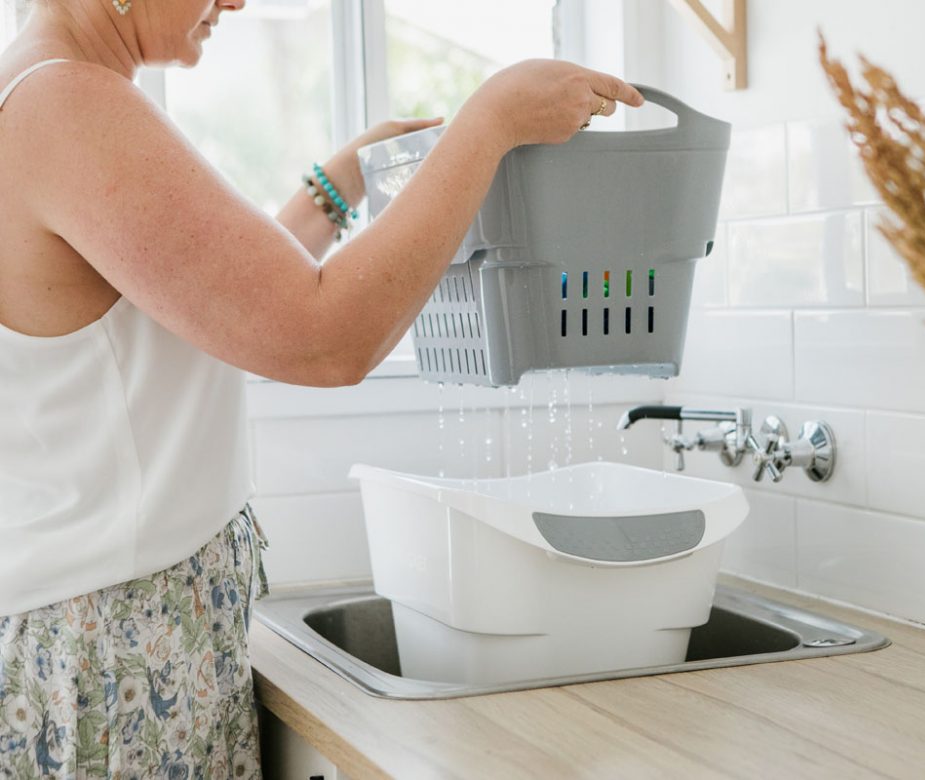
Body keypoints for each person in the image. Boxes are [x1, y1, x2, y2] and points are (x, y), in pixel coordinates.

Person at [0, 0, 644, 775]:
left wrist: (341, 180)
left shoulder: (37, 93)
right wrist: (491, 121)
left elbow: (208, 311)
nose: (236, 1)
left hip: (108, 640)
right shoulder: (67, 105)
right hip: (121, 656)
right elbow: (322, 339)